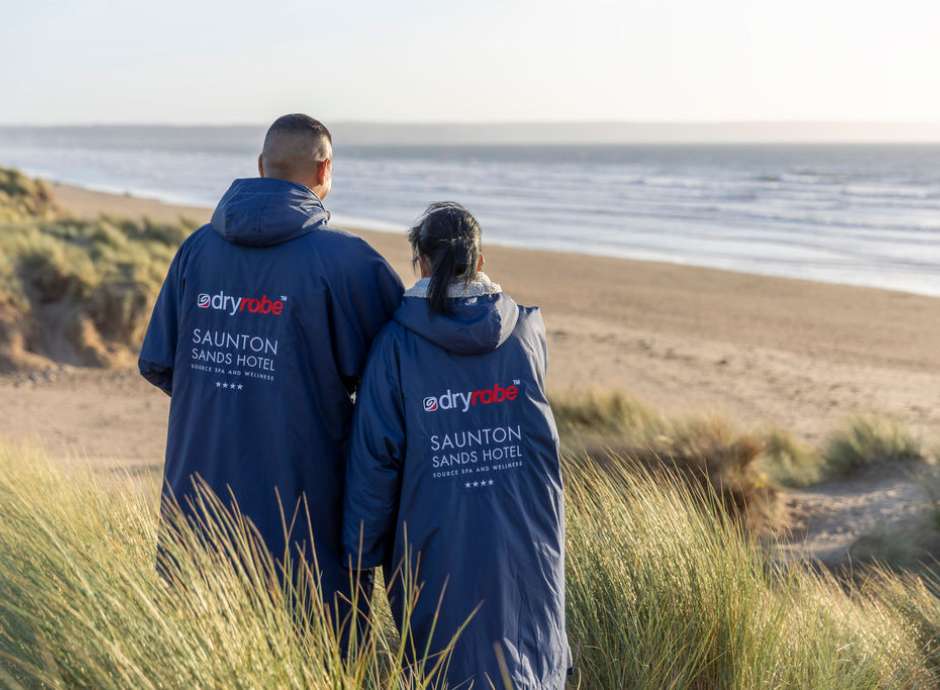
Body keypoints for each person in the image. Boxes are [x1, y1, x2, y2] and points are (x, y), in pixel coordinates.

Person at [138, 114, 403, 628]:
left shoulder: (196, 249)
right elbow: (402, 378)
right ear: (324, 169)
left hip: (198, 509)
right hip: (303, 518)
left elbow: (161, 364)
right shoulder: (347, 262)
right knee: (316, 656)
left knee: (202, 649)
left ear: (261, 166)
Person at [343, 202, 571, 688]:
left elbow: (375, 460)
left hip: (436, 537)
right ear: (481, 261)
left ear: (420, 263)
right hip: (525, 533)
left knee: (446, 663)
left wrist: (361, 555)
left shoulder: (395, 346)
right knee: (526, 660)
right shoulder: (527, 332)